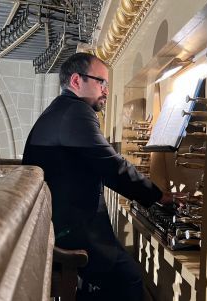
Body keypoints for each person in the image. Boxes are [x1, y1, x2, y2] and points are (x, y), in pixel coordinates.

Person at [23, 53, 171, 301]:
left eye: (107, 84)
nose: (105, 90)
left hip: (56, 223)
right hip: (69, 231)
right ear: (76, 81)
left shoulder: (61, 110)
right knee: (130, 280)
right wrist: (158, 196)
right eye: (100, 82)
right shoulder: (76, 112)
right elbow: (113, 167)